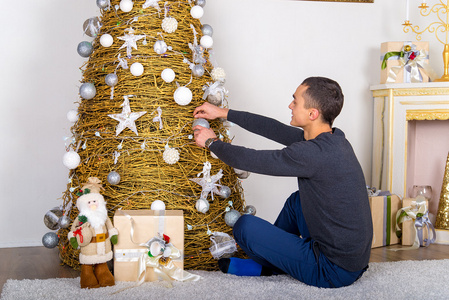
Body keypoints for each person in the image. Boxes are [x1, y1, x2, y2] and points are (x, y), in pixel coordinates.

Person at [192, 77, 373, 288]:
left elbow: (250, 160)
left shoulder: (312, 154)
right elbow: (272, 128)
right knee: (297, 202)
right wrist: (223, 112)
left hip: (332, 269)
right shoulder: (333, 140)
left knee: (245, 226)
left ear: (312, 114)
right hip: (351, 261)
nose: (290, 105)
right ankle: (273, 261)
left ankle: (268, 265)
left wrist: (211, 142)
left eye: (295, 101)